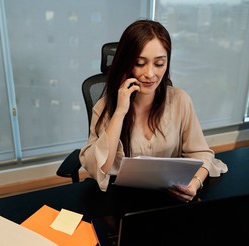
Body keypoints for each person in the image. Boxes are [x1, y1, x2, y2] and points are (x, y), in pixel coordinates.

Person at [79, 19, 228, 202]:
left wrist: (195, 184)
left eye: (159, 64)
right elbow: (100, 166)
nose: (150, 74)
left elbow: (202, 154)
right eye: (140, 63)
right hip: (121, 201)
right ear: (126, 64)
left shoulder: (180, 100)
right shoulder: (105, 107)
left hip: (170, 200)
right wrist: (119, 112)